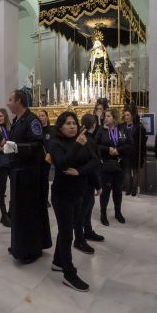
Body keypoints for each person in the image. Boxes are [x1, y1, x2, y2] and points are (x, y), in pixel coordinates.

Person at [0, 90, 52, 263]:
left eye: (10, 100)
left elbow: (37, 145)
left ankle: (31, 250)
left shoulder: (32, 120)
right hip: (18, 172)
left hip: (29, 174)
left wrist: (12, 147)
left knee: (28, 213)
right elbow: (11, 146)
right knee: (18, 212)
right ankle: (20, 245)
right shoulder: (17, 121)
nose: (8, 103)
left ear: (19, 101)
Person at [48, 111, 99, 292]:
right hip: (62, 195)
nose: (72, 126)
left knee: (67, 229)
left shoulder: (83, 140)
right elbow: (62, 164)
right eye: (68, 123)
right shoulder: (55, 143)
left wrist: (79, 172)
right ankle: (69, 274)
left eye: (74, 123)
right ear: (60, 126)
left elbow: (94, 162)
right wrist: (77, 145)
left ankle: (57, 262)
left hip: (79, 193)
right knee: (67, 233)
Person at [73, 113, 104, 251]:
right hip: (86, 181)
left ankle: (88, 231)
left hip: (84, 180)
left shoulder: (82, 138)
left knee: (87, 208)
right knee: (82, 210)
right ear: (94, 125)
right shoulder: (89, 141)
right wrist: (98, 185)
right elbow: (92, 165)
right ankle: (79, 240)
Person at [97, 108, 132, 226]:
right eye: (105, 116)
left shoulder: (122, 128)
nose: (105, 118)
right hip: (106, 164)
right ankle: (103, 214)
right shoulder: (101, 130)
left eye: (108, 116)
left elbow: (130, 145)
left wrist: (118, 150)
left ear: (114, 118)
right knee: (105, 191)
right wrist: (108, 149)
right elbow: (96, 146)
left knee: (118, 190)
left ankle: (118, 212)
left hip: (120, 164)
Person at [38, 109, 53, 207]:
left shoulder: (51, 130)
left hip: (46, 158)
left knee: (44, 180)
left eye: (43, 115)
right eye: (39, 116)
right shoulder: (36, 130)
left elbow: (53, 144)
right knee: (37, 180)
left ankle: (45, 199)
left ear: (47, 117)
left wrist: (50, 153)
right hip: (36, 158)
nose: (41, 118)